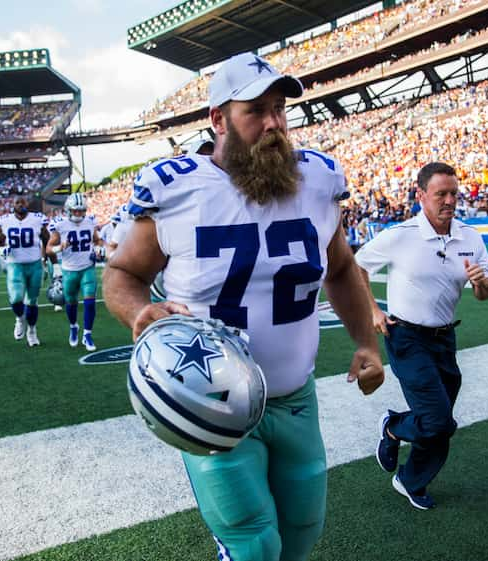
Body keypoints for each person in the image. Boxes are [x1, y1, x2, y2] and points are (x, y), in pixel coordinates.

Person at [103, 51, 384, 561]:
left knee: (301, 535)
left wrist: (365, 341)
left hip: (296, 397)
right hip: (212, 403)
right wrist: (137, 313)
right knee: (254, 544)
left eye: (279, 108)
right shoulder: (177, 189)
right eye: (256, 110)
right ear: (219, 120)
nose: (274, 123)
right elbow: (124, 274)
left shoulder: (318, 181)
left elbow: (341, 268)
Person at [355, 162, 488, 510]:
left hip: (445, 339)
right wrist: (373, 310)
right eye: (440, 194)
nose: (449, 201)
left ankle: (408, 477)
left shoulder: (470, 237)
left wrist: (481, 283)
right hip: (405, 336)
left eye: (453, 194)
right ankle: (394, 427)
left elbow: (485, 293)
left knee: (439, 421)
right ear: (421, 196)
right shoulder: (400, 234)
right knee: (437, 420)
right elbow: (356, 267)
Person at [46, 193, 105, 351]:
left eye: (81, 210)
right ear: (68, 210)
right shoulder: (60, 225)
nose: (78, 214)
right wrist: (60, 247)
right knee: (70, 302)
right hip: (69, 270)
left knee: (90, 301)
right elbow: (48, 249)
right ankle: (73, 327)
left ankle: (87, 334)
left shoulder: (90, 222)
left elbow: (97, 240)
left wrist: (99, 248)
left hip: (87, 267)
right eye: (75, 210)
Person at [0, 196, 51, 346]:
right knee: (15, 298)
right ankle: (19, 319)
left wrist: (46, 258)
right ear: (12, 205)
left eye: (23, 202)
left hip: (34, 265)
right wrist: (1, 249)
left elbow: (47, 239)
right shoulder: (6, 221)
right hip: (15, 265)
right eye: (17, 203)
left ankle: (32, 331)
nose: (20, 205)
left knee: (32, 301)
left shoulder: (37, 219)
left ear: (28, 204)